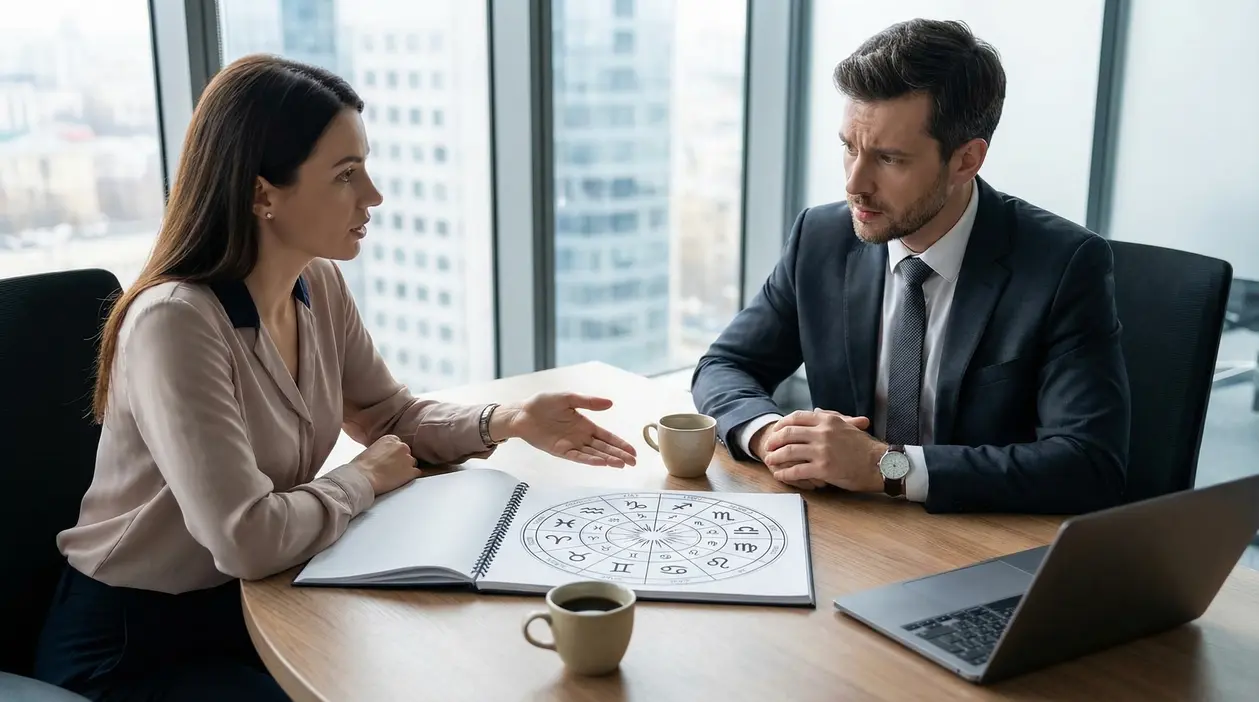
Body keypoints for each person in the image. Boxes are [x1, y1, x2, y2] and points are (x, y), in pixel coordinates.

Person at [32, 55, 638, 701]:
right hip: (133, 646)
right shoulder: (175, 324)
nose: (372, 195)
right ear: (263, 193)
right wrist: (362, 478)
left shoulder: (314, 283)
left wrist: (505, 421)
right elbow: (247, 539)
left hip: (257, 601)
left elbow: (388, 417)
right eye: (346, 175)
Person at [691, 19, 1130, 515]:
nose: (855, 183)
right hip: (851, 531)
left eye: (889, 159)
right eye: (849, 148)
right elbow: (726, 366)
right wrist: (770, 434)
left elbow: (1089, 465)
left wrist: (886, 467)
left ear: (966, 160)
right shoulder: (821, 237)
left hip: (978, 542)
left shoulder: (1063, 266)